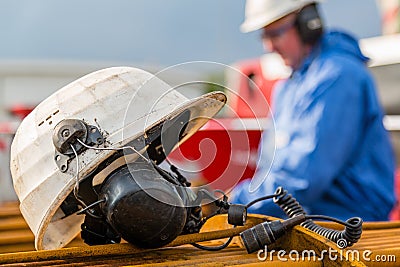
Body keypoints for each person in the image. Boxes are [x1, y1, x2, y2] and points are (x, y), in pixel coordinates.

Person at [230, 0, 396, 221]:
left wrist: (236, 202)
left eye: (275, 33)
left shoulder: (339, 77)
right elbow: (271, 168)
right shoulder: (288, 87)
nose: (269, 46)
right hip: (311, 223)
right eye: (264, 36)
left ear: (309, 24)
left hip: (352, 229)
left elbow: (304, 180)